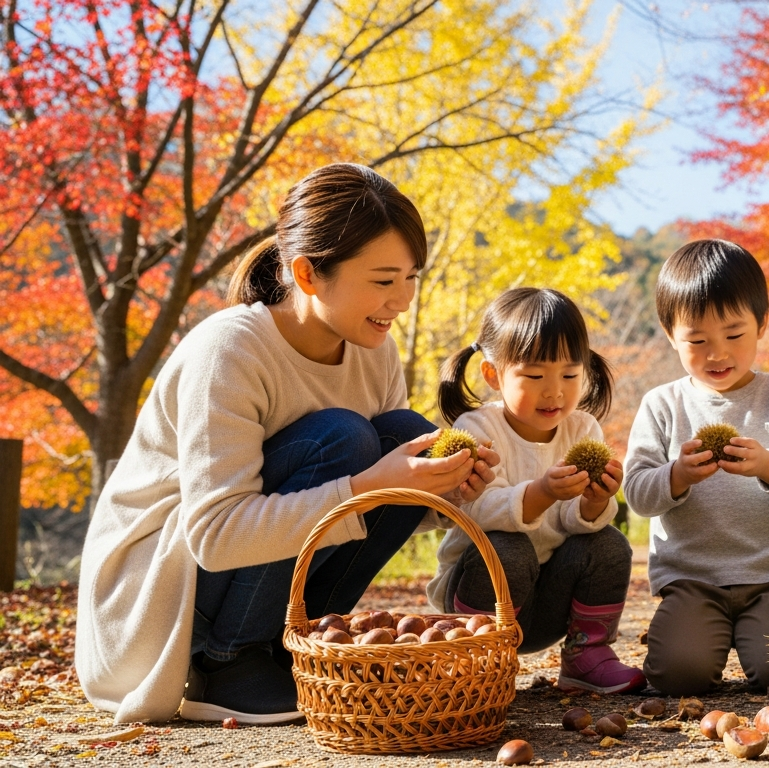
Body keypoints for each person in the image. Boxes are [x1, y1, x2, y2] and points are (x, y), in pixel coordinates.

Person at [76, 163, 499, 725]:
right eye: (382, 280)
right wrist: (369, 485)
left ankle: (296, 642)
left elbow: (366, 506)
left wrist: (442, 492)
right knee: (346, 438)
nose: (402, 300)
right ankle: (227, 660)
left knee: (401, 434)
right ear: (307, 273)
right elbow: (216, 536)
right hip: (160, 594)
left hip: (256, 581)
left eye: (411, 277)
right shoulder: (230, 351)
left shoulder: (375, 351)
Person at [623, 239, 769, 696]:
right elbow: (635, 491)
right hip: (692, 578)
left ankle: (755, 643)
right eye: (697, 340)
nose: (717, 353)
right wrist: (676, 476)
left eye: (734, 334)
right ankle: (701, 642)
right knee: (679, 676)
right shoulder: (662, 404)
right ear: (671, 334)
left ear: (762, 324)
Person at [427, 287, 645, 694]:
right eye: (534, 375)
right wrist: (541, 492)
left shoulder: (583, 430)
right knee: (509, 547)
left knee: (609, 543)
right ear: (493, 374)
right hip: (476, 601)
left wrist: (595, 500)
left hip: (547, 607)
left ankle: (587, 653)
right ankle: (472, 661)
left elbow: (577, 525)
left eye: (568, 375)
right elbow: (474, 510)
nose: (554, 391)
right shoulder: (477, 430)